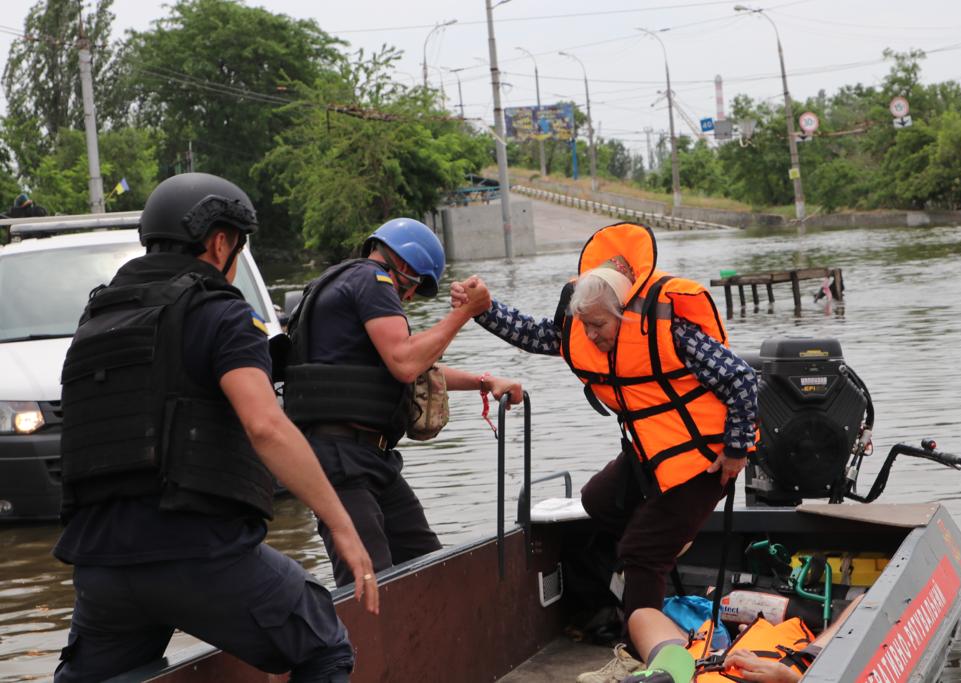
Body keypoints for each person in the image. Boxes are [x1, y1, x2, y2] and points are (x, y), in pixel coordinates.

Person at [52, 172, 378, 682]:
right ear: (220, 242)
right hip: (196, 552)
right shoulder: (222, 313)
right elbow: (266, 426)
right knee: (324, 645)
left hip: (100, 565)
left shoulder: (93, 322)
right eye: (239, 245)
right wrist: (341, 526)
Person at [452, 222, 757, 683]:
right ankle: (665, 546)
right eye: (585, 326)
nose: (591, 336)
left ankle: (652, 660)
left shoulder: (672, 330)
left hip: (702, 460)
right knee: (596, 500)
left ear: (625, 315)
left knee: (640, 554)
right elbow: (536, 334)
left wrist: (736, 450)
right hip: (647, 454)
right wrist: (485, 310)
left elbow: (741, 379)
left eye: (598, 325)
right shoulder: (584, 329)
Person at [283, 217, 523, 587]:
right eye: (413, 286)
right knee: (369, 581)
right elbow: (406, 362)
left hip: (368, 457)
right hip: (343, 461)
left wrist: (483, 381)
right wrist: (464, 312)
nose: (409, 298)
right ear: (403, 263)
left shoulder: (344, 282)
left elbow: (415, 365)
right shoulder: (373, 281)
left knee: (428, 565)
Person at [622, 594, 866, 682]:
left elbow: (644, 616)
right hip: (791, 668)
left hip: (694, 667)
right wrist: (793, 680)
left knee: (642, 616)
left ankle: (717, 647)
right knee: (863, 605)